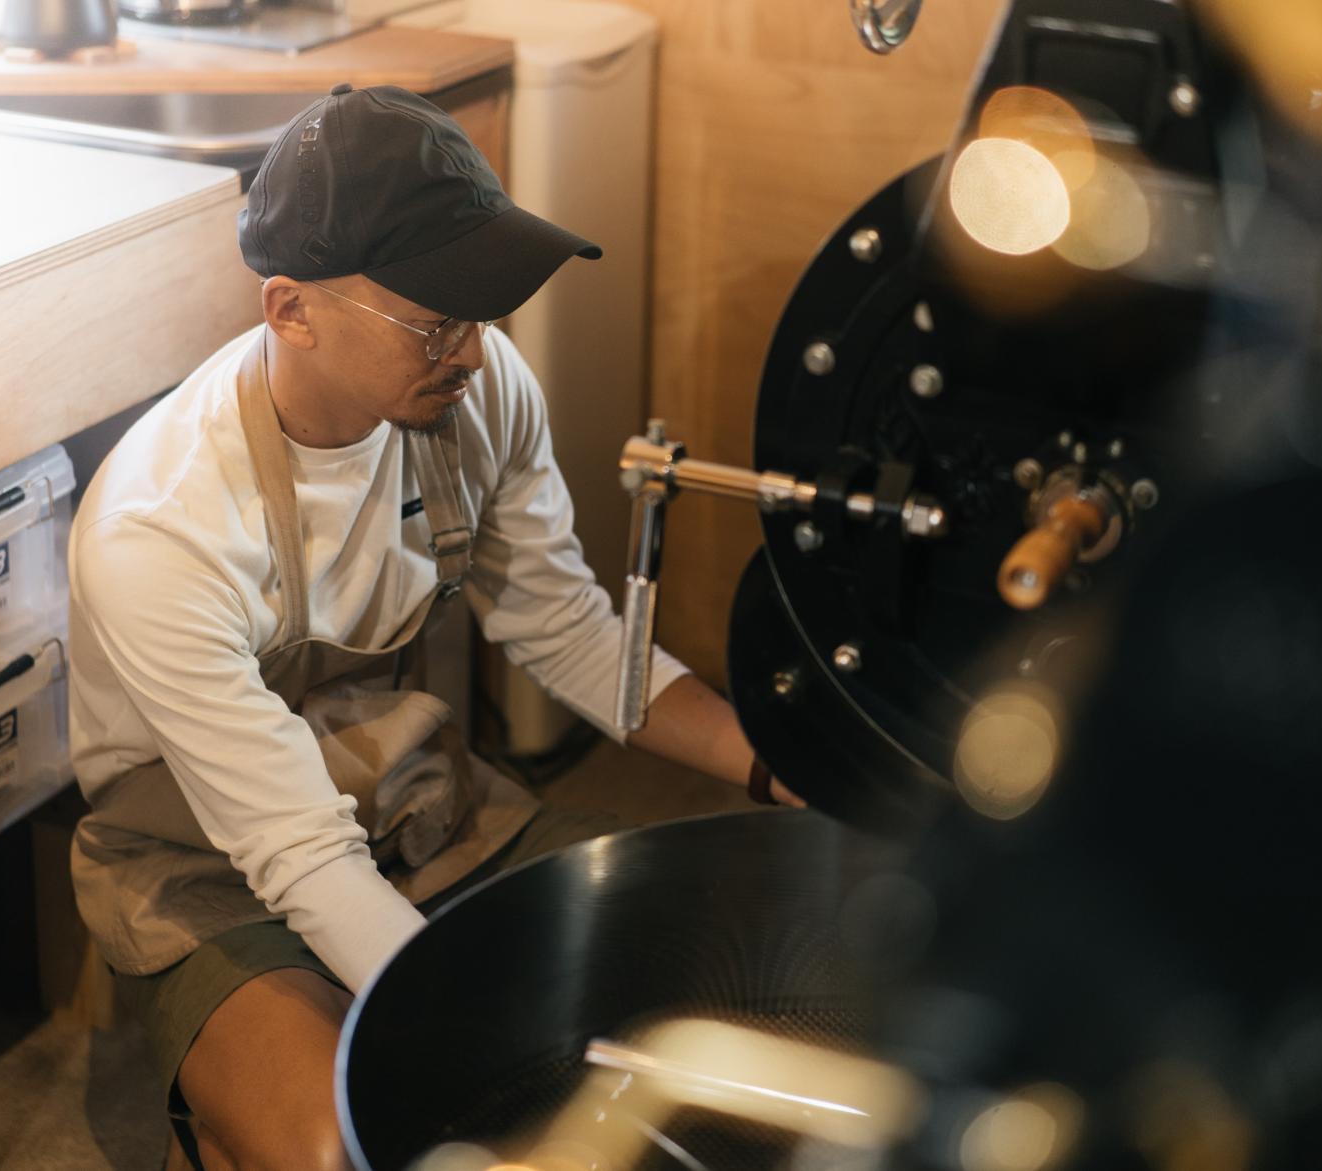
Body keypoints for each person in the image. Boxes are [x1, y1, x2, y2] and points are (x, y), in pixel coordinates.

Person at [65, 83, 799, 1171]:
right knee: (349, 1145)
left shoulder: (473, 388)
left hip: (400, 790)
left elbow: (571, 631)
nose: (474, 346)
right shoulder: (160, 533)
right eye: (436, 317)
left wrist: (779, 771)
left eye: (483, 305)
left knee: (726, 985)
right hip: (211, 862)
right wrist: (494, 1033)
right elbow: (299, 854)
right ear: (290, 311)